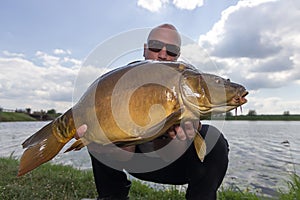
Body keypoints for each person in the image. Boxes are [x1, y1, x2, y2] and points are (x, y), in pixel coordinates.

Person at [76, 24, 229, 200]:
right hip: (131, 158)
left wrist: (175, 136)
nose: (163, 54)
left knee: (214, 139)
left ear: (178, 56)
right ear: (145, 49)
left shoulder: (188, 81)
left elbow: (168, 155)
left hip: (175, 165)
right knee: (98, 123)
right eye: (156, 46)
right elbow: (126, 155)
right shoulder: (125, 79)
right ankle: (112, 196)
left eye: (171, 50)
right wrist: (111, 146)